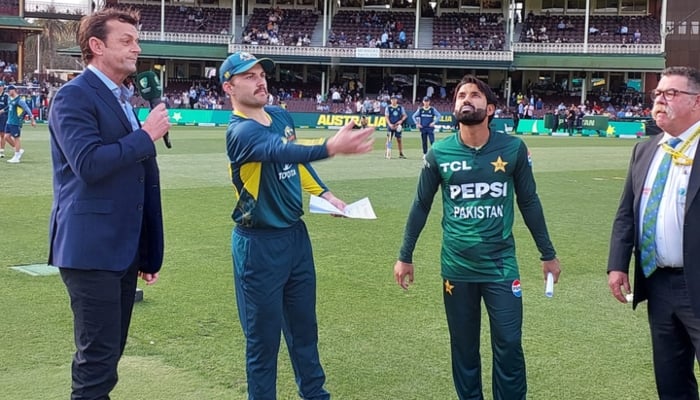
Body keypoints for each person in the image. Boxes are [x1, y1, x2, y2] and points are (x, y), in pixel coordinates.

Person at [393, 74, 561, 400]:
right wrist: (405, 255)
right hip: (456, 267)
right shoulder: (439, 153)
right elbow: (420, 205)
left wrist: (547, 254)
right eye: (460, 96)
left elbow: (529, 202)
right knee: (464, 349)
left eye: (474, 95)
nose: (466, 99)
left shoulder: (512, 148)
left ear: (491, 108)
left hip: (501, 266)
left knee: (509, 344)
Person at [219, 51, 374, 399]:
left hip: (295, 241)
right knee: (263, 343)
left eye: (261, 73)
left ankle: (316, 395)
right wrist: (330, 147)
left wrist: (327, 194)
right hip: (258, 246)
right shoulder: (240, 132)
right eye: (249, 76)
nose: (260, 80)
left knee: (305, 331)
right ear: (229, 87)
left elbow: (296, 164)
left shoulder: (279, 115)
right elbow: (282, 152)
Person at [47, 8, 171, 399]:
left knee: (108, 356)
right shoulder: (73, 96)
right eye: (127, 41)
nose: (137, 48)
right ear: (96, 46)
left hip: (120, 251)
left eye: (137, 40)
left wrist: (146, 252)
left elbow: (138, 183)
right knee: (97, 361)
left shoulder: (123, 99)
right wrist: (146, 135)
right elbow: (89, 164)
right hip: (90, 250)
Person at [607, 66, 700, 399]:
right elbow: (625, 215)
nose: (661, 100)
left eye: (671, 94)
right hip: (658, 283)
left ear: (697, 102)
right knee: (671, 381)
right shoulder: (645, 150)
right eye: (658, 94)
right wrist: (617, 264)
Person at [4, 84, 36, 163]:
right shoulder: (11, 99)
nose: (8, 92)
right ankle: (18, 150)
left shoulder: (19, 100)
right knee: (6, 137)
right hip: (9, 121)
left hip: (15, 122)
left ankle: (16, 156)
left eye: (9, 90)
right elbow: (9, 107)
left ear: (13, 90)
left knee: (16, 138)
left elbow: (27, 108)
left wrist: (32, 119)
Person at [385, 95, 407, 159]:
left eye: (394, 99)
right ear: (391, 100)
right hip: (390, 125)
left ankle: (401, 153)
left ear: (396, 100)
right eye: (392, 99)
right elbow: (386, 117)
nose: (393, 101)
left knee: (399, 139)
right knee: (389, 139)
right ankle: (387, 152)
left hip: (398, 126)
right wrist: (389, 124)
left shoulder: (400, 107)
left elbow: (405, 115)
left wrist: (401, 120)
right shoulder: (388, 107)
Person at [0, 80, 16, 158]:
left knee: (3, 134)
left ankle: (2, 151)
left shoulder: (6, 96)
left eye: (1, 86)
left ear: (3, 87)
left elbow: (9, 106)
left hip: (3, 117)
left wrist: (2, 111)